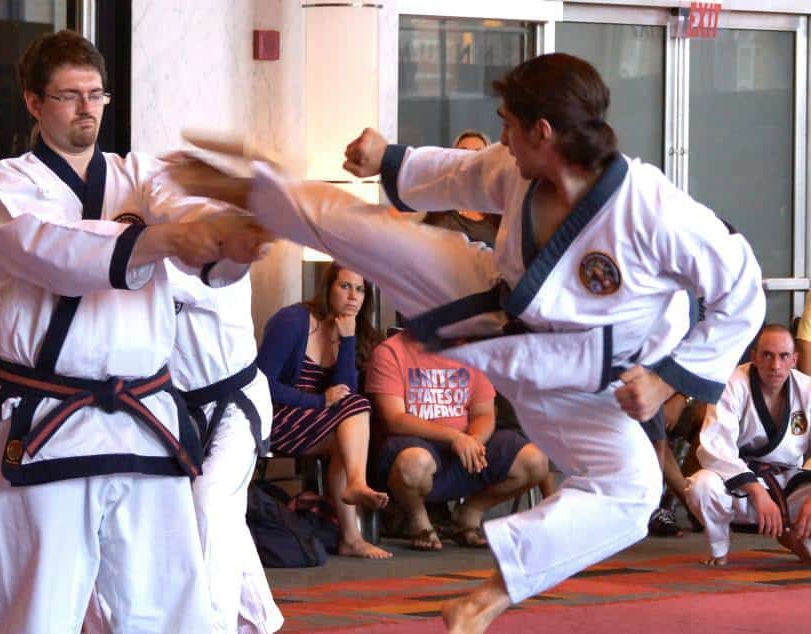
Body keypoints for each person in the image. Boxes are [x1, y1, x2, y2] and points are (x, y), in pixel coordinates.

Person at [169, 52, 765, 634]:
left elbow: (741, 291)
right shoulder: (517, 168)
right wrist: (389, 159)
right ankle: (250, 190)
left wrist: (665, 378)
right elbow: (462, 173)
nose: (502, 139)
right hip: (497, 313)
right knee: (368, 235)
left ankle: (483, 603)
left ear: (543, 131)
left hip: (590, 380)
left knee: (633, 493)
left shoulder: (651, 207)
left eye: (509, 125)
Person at [0, 30, 271, 632]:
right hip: (50, 424)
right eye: (69, 96)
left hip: (143, 422)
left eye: (96, 94)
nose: (87, 108)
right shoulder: (4, 187)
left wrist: (230, 237)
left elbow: (187, 219)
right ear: (34, 102)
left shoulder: (140, 174)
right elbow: (55, 250)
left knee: (166, 606)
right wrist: (161, 239)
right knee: (38, 606)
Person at [171, 268, 283, 632]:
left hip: (238, 405)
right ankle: (261, 620)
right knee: (224, 517)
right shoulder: (152, 250)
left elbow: (161, 281)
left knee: (209, 502)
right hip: (183, 410)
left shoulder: (225, 255)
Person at [366, 330, 549, 550]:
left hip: (465, 447)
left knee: (535, 461)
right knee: (413, 462)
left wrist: (474, 441)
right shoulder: (391, 351)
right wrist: (455, 438)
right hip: (415, 444)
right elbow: (394, 419)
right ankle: (418, 520)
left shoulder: (472, 351)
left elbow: (484, 413)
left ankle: (470, 512)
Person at [257, 262, 390, 559]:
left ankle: (351, 537)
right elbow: (261, 384)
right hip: (277, 418)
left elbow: (345, 393)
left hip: (320, 421)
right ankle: (355, 492)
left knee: (350, 431)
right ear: (328, 288)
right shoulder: (293, 320)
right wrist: (318, 402)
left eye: (360, 290)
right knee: (355, 414)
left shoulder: (352, 330)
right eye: (345, 286)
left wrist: (348, 341)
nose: (353, 296)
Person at [686, 324, 811, 566]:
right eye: (767, 355)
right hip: (741, 486)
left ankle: (792, 534)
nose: (775, 365)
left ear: (794, 360)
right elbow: (715, 446)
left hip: (789, 484)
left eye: (784, 356)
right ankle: (719, 547)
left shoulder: (807, 389)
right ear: (754, 356)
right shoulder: (731, 384)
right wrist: (757, 493)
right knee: (702, 485)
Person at [421, 129, 501, 247]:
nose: (470, 158)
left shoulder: (499, 206)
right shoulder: (435, 196)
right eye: (463, 152)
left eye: (478, 153)